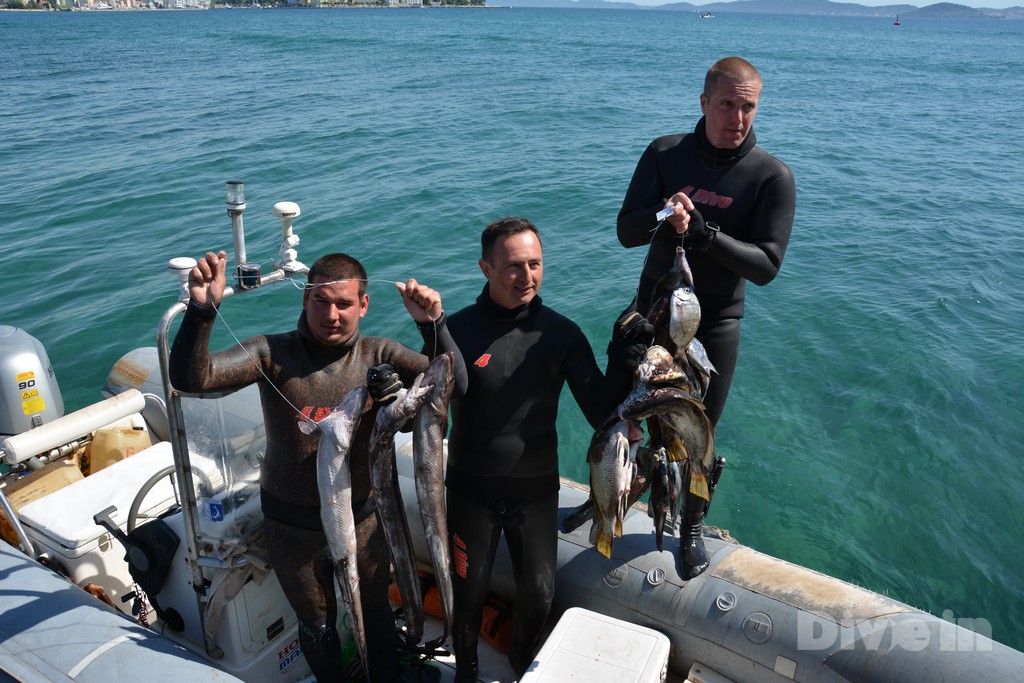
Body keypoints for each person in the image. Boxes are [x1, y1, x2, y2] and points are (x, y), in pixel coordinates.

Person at [169, 250, 465, 683]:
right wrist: (201, 311)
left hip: (364, 520)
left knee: (376, 613)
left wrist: (432, 324)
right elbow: (192, 379)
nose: (331, 314)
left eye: (344, 303)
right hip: (292, 528)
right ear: (305, 299)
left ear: (363, 305)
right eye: (321, 301)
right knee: (316, 624)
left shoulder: (378, 353)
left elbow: (455, 384)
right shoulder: (271, 353)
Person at [398, 217, 652, 682]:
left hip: (534, 490)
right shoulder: (459, 328)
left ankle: (520, 664)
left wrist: (624, 356)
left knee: (539, 594)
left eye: (535, 264)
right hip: (471, 490)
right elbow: (459, 389)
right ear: (486, 268)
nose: (527, 275)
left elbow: (600, 410)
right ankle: (467, 672)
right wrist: (432, 327)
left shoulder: (561, 334)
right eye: (514, 266)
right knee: (467, 593)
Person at [617, 56, 796, 578]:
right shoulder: (665, 153)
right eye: (726, 104)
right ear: (703, 102)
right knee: (620, 413)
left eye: (748, 106)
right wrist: (664, 214)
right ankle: (609, 500)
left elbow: (766, 267)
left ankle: (691, 527)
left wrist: (707, 236)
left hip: (715, 325)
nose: (737, 117)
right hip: (649, 315)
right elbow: (627, 231)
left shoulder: (771, 177)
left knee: (700, 434)